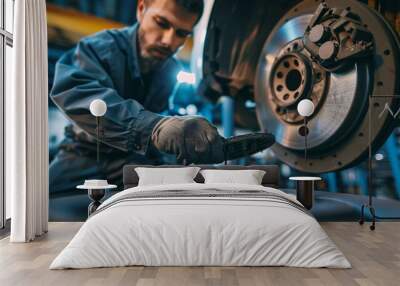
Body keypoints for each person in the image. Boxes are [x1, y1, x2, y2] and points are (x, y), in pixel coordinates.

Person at [50, 0, 225, 194]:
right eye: (162, 23)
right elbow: (76, 91)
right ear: (141, 10)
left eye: (182, 33)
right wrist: (153, 127)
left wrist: (184, 134)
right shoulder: (98, 49)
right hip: (83, 155)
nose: (169, 41)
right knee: (39, 200)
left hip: (133, 157)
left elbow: (160, 113)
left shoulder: (169, 68)